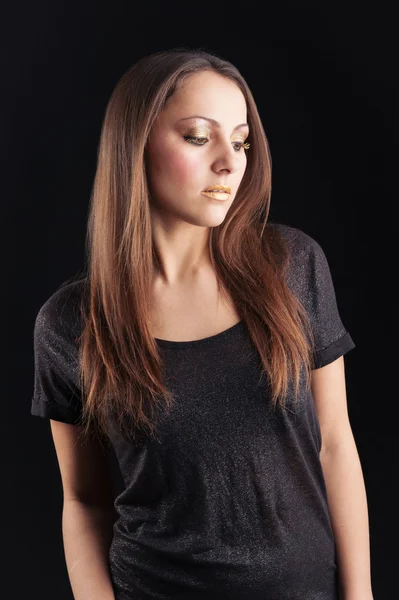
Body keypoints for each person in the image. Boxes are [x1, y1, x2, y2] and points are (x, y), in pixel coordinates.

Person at [31, 48, 373, 600]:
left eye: (239, 141)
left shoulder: (292, 266)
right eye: (198, 136)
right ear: (135, 144)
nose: (230, 163)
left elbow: (335, 443)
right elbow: (83, 501)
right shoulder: (70, 323)